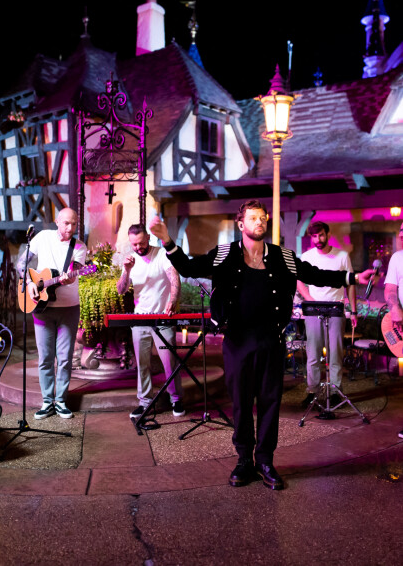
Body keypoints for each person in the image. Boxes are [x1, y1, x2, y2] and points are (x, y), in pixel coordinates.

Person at [149, 200, 377, 490]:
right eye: (253, 217)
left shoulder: (284, 256)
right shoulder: (223, 254)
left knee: (270, 402)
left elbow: (313, 274)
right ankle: (244, 460)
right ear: (241, 224)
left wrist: (353, 277)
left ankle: (266, 461)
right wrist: (167, 239)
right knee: (242, 403)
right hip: (237, 340)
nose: (260, 221)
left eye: (263, 217)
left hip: (271, 339)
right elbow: (189, 268)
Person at [17, 207, 87, 420]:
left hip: (69, 308)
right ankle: (47, 401)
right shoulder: (42, 237)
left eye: (74, 224)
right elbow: (22, 263)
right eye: (66, 223)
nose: (70, 228)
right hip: (41, 307)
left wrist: (69, 278)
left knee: (64, 358)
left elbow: (74, 273)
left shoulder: (79, 247)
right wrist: (29, 282)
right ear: (57, 221)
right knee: (45, 357)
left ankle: (61, 401)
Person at [116, 223, 184, 419]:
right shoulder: (130, 260)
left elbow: (174, 279)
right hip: (140, 318)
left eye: (140, 243)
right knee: (142, 364)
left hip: (162, 317)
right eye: (134, 244)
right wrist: (127, 270)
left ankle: (176, 399)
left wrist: (172, 300)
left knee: (169, 361)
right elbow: (121, 290)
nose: (138, 248)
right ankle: (145, 401)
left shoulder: (162, 254)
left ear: (148, 238)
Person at [296, 222, 358, 408]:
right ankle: (312, 391)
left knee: (335, 354)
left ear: (328, 234)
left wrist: (353, 311)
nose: (318, 240)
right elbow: (298, 281)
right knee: (313, 354)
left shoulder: (342, 255)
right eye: (314, 237)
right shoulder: (306, 256)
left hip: (336, 310)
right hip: (313, 310)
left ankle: (335, 391)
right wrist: (309, 299)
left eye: (321, 235)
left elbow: (351, 284)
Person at [383, 220, 403, 439]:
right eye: (401, 230)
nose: (402, 234)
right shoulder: (398, 258)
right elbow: (390, 288)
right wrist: (395, 307)